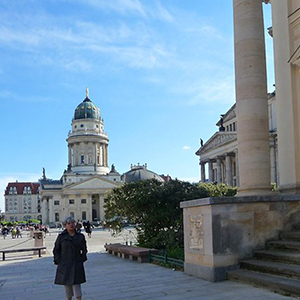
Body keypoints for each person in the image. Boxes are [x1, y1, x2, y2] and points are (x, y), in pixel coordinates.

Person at [53, 216, 88, 300]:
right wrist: (59, 261)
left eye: (73, 223)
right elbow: (56, 250)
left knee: (77, 285)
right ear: (65, 225)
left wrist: (82, 259)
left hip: (76, 263)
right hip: (65, 264)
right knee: (67, 286)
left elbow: (84, 249)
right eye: (69, 223)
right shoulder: (61, 237)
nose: (71, 225)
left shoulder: (80, 236)